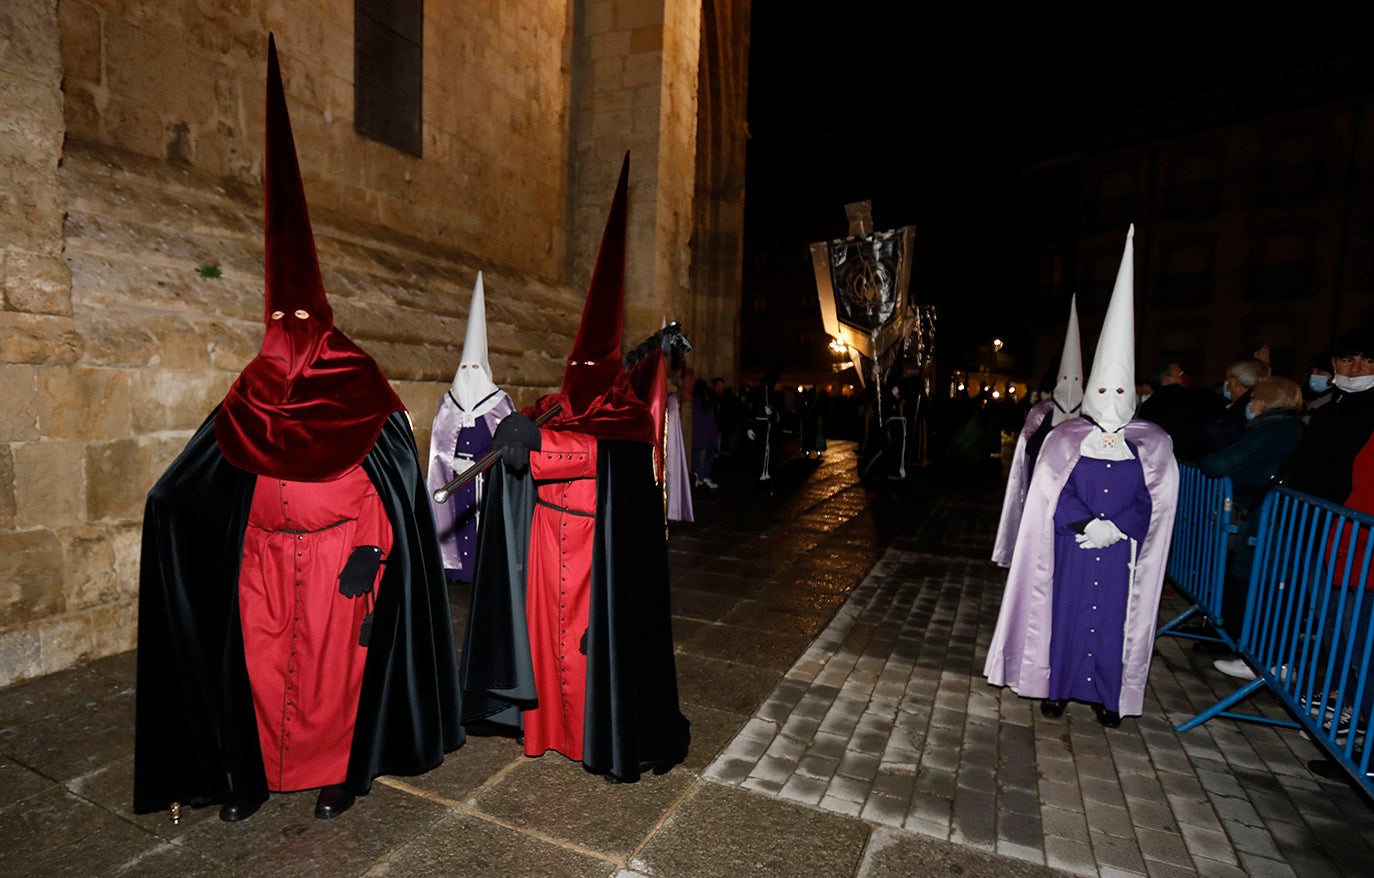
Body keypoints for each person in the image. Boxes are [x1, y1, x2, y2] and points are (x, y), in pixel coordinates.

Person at [134, 37, 462, 823]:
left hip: (338, 568)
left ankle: (339, 776)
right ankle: (246, 778)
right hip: (260, 569)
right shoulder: (252, 385)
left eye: (297, 321)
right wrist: (168, 512)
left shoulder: (362, 387)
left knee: (328, 681)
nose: (284, 334)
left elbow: (395, 486)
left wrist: (372, 555)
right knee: (254, 671)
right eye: (274, 321)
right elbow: (197, 475)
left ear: (322, 320)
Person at [460, 155, 690, 782]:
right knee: (543, 645)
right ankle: (541, 737)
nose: (580, 380)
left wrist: (534, 445)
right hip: (545, 544)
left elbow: (590, 453)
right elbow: (542, 423)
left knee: (588, 654)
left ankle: (596, 738)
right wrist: (513, 425)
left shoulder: (626, 424)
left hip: (594, 553)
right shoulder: (561, 401)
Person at [984, 225, 1179, 727]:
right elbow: (1054, 491)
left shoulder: (1152, 442)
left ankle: (1107, 698)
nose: (1112, 403)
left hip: (1121, 552)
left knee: (1114, 622)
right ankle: (1058, 689)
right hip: (1072, 547)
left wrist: (1119, 527)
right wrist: (1083, 524)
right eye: (1103, 392)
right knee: (1065, 618)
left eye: (1121, 393)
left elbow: (1153, 500)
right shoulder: (1066, 438)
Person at [1198, 377, 1306, 675]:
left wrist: (1209, 459)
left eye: (1253, 398)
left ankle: (1265, 658)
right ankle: (1259, 654)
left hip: (1268, 516)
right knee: (1255, 579)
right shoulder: (1280, 426)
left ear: (1264, 402)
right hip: (1264, 512)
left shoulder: (1272, 430)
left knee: (1262, 582)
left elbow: (1220, 464)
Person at [427, 272, 515, 581]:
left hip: (483, 480)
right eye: (465, 367)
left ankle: (485, 568)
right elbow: (438, 448)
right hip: (455, 479)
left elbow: (506, 442)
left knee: (480, 527)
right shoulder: (447, 402)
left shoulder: (500, 402)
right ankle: (456, 570)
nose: (469, 372)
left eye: (474, 367)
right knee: (459, 523)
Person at [993, 293, 1082, 567]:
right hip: (1043, 490)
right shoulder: (1043, 414)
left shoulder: (1090, 419)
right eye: (1064, 380)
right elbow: (1029, 450)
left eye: (1075, 380)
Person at [1283, 327, 1374, 503]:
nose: (1355, 369)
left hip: (1346, 519)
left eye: (1368, 361)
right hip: (1303, 513)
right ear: (1334, 363)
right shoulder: (1325, 412)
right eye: (1347, 360)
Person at [1137, 359, 1222, 461]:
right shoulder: (1196, 397)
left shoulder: (1146, 407)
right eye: (1179, 374)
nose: (1183, 377)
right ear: (1167, 379)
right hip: (1189, 464)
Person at [1197, 358, 1271, 454]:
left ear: (1235, 383)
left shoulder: (1247, 410)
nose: (1225, 383)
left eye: (1227, 379)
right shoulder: (1229, 405)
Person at [691, 377, 720, 487]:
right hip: (705, 434)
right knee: (703, 456)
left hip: (703, 434)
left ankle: (701, 477)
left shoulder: (703, 401)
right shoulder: (702, 401)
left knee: (702, 456)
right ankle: (701, 477)